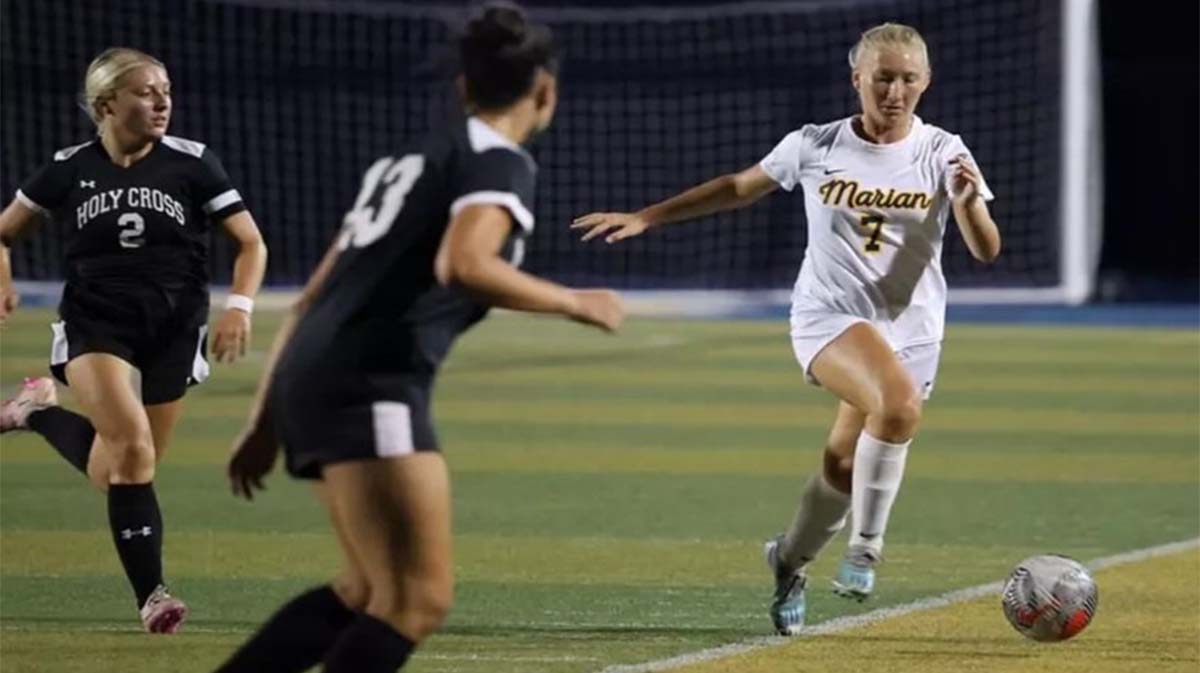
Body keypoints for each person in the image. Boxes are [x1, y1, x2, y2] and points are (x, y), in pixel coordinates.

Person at [214, 4, 623, 671]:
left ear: (463, 87)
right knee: (416, 599)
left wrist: (265, 418)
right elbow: (464, 264)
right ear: (545, 90)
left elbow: (312, 295)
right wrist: (577, 302)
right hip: (369, 383)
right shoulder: (499, 162)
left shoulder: (409, 159)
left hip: (314, 372)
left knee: (364, 589)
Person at [573, 22, 1000, 635]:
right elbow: (737, 188)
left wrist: (966, 206)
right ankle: (867, 549)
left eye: (908, 78)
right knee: (899, 406)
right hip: (828, 318)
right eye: (883, 77)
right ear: (856, 79)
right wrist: (649, 217)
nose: (895, 91)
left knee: (844, 462)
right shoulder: (815, 145)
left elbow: (986, 250)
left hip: (913, 333)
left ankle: (788, 562)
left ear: (926, 81)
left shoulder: (944, 152)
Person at [0, 47, 268, 633]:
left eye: (165, 89)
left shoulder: (193, 163)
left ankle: (35, 412)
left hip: (174, 327)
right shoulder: (69, 167)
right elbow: (2, 233)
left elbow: (251, 243)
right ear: (106, 104)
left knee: (116, 469)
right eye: (146, 91)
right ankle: (153, 596)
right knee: (135, 453)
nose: (162, 100)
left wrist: (239, 308)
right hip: (96, 324)